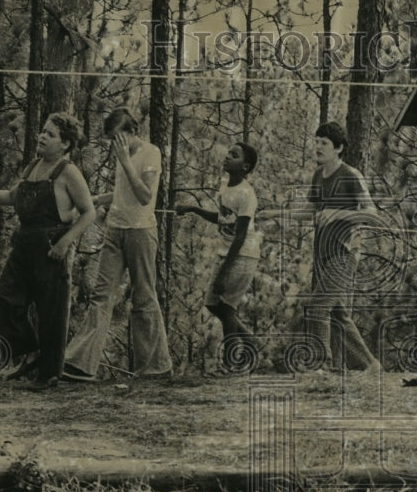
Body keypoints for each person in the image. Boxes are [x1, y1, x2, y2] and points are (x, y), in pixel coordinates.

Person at [0, 113, 96, 391]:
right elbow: (9, 197)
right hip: (24, 244)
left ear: (65, 144)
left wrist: (65, 244)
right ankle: (30, 354)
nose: (41, 136)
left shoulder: (68, 172)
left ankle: (49, 375)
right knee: (4, 297)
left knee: (51, 312)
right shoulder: (33, 166)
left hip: (51, 246)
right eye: (42, 131)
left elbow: (88, 213)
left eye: (50, 134)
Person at [62, 107, 173, 381]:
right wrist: (101, 199)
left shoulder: (151, 153)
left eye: (117, 138)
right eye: (111, 139)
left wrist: (124, 160)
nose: (114, 144)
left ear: (131, 132)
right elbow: (125, 191)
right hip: (115, 230)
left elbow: (145, 195)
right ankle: (79, 363)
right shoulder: (122, 155)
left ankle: (155, 367)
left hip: (141, 231)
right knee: (101, 296)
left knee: (144, 297)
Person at [259, 122, 380, 372]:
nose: (318, 147)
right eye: (316, 141)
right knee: (338, 314)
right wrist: (274, 213)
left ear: (338, 148)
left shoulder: (351, 175)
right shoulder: (318, 175)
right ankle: (371, 365)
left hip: (345, 254)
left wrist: (337, 214)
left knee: (317, 307)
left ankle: (320, 367)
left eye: (324, 143)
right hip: (322, 254)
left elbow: (371, 213)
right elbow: (309, 211)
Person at [175, 142, 262, 369]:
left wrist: (224, 272)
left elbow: (241, 236)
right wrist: (193, 209)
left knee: (226, 307)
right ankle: (250, 341)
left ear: (245, 166)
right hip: (227, 254)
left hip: (242, 255)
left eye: (234, 155)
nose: (227, 157)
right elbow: (223, 219)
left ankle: (232, 362)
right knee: (213, 305)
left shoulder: (246, 195)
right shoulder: (226, 187)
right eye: (228, 153)